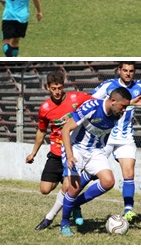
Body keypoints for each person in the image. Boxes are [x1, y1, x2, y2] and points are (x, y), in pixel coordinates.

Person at [90, 62, 141, 222]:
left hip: (125, 137)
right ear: (119, 71)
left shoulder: (140, 86)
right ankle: (75, 203)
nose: (128, 73)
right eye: (125, 70)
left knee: (129, 173)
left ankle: (128, 211)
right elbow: (91, 101)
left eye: (131, 71)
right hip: (106, 136)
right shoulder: (109, 85)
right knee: (91, 174)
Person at [59, 87, 133, 236]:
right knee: (73, 188)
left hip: (95, 151)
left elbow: (119, 106)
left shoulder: (116, 113)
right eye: (123, 106)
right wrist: (69, 155)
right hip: (76, 149)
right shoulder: (91, 107)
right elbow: (66, 129)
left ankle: (76, 204)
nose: (124, 110)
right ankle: (64, 223)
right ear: (112, 101)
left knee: (108, 181)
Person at [29, 71, 93, 231]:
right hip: (55, 153)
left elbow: (99, 103)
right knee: (44, 189)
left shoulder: (76, 98)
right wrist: (33, 153)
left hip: (72, 152)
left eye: (60, 88)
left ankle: (52, 217)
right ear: (47, 88)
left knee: (67, 186)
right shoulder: (44, 108)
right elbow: (41, 131)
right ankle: (70, 196)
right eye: (53, 89)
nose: (57, 92)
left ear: (63, 86)